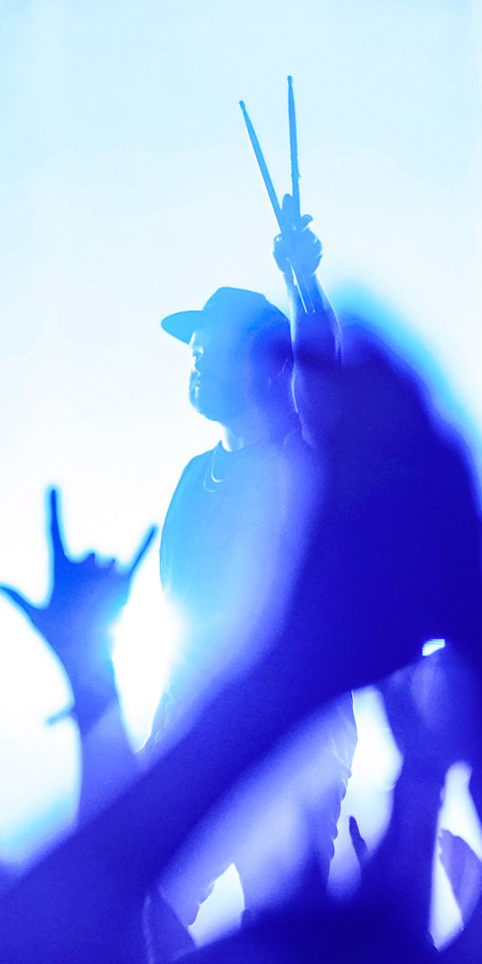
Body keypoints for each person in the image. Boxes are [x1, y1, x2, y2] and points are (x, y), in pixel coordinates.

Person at [149, 207, 358, 925]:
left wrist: (302, 280)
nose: (196, 361)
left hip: (292, 743)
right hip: (196, 732)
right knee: (149, 912)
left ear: (265, 367)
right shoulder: (193, 477)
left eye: (211, 349)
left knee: (282, 932)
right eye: (193, 349)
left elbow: (326, 373)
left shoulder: (302, 457)